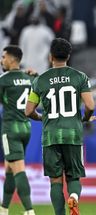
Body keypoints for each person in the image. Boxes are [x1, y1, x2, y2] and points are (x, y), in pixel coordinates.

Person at [25, 38, 95, 215]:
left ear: (50, 56)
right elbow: (90, 106)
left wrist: (41, 117)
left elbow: (28, 111)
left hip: (51, 135)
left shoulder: (40, 80)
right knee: (74, 176)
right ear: (69, 56)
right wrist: (85, 118)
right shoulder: (80, 77)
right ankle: (74, 197)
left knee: (55, 180)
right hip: (73, 133)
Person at [0, 45, 36, 215]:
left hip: (10, 129)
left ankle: (29, 211)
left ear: (13, 59)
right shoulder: (29, 78)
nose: (1, 60)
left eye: (4, 57)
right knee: (9, 168)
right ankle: (4, 209)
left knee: (18, 169)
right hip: (26, 128)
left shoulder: (3, 80)